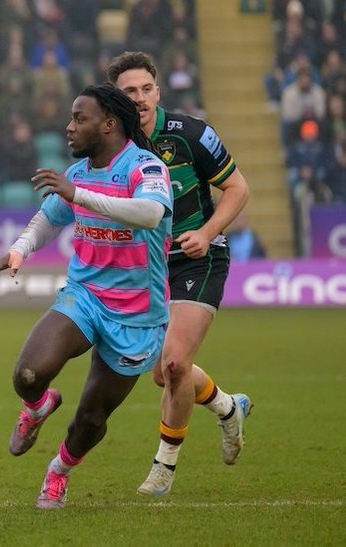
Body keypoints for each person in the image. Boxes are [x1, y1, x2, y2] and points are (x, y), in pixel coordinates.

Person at [0, 84, 173, 510]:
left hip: (138, 315)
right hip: (85, 295)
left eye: (79, 119)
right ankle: (36, 407)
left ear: (109, 125)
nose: (69, 128)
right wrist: (20, 249)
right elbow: (49, 219)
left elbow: (150, 214)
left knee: (90, 418)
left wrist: (78, 195)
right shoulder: (80, 173)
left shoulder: (146, 168)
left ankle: (59, 472)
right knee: (28, 375)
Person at [107, 51, 254, 497]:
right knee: (164, 372)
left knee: (173, 363)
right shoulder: (112, 147)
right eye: (128, 92)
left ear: (158, 90)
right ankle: (229, 407)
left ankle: (163, 470)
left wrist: (208, 233)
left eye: (146, 89)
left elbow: (238, 188)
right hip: (146, 270)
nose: (139, 99)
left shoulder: (190, 134)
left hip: (198, 258)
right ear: (116, 98)